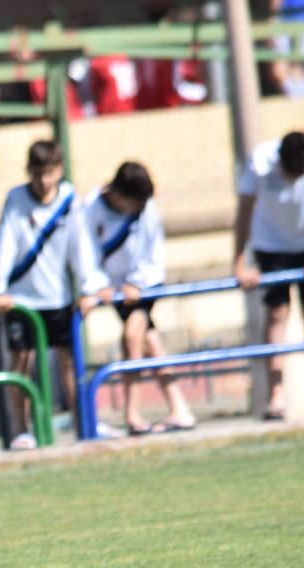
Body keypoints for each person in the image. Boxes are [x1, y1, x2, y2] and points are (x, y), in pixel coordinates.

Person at [0, 140, 106, 448]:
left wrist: (89, 286)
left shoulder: (69, 199)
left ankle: (84, 426)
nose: (43, 182)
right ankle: (20, 431)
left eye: (50, 174)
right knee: (21, 362)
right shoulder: (15, 199)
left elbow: (80, 246)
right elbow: (6, 242)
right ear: (29, 172)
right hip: (22, 299)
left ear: (60, 171)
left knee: (68, 361)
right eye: (38, 174)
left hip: (58, 297)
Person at [233, 131, 304, 419]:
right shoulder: (260, 161)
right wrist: (239, 263)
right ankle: (275, 398)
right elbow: (244, 212)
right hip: (270, 246)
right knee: (276, 315)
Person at [85, 162, 196, 435]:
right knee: (150, 341)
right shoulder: (91, 206)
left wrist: (136, 283)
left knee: (133, 335)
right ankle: (179, 408)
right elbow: (85, 250)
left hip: (142, 284)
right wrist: (99, 284)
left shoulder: (147, 209)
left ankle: (132, 414)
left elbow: (152, 254)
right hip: (114, 287)